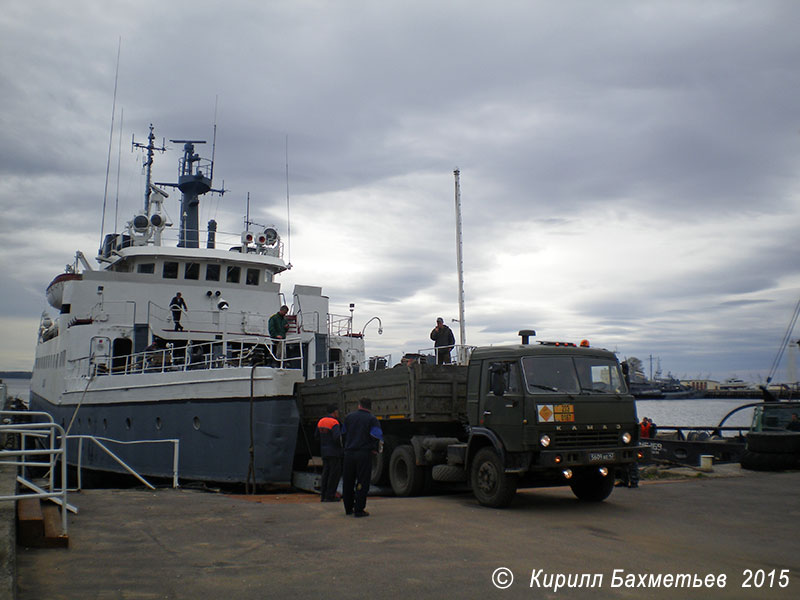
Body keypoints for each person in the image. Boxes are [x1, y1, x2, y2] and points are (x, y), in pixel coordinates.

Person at [341, 398, 383, 517]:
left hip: (349, 454)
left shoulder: (349, 417)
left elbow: (342, 434)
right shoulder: (372, 419)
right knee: (362, 481)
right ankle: (359, 509)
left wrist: (345, 448)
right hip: (363, 454)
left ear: (359, 405)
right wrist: (375, 450)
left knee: (348, 481)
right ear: (370, 407)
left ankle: (348, 508)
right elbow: (377, 436)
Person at [315, 403, 343, 502]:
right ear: (334, 412)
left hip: (324, 452)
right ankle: (330, 495)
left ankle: (323, 495)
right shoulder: (334, 423)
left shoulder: (321, 421)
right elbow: (337, 438)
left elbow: (316, 436)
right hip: (334, 452)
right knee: (334, 474)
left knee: (326, 473)